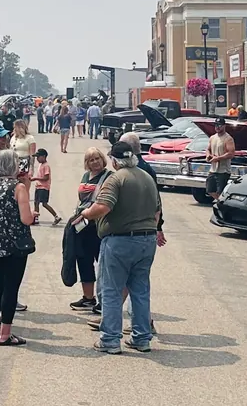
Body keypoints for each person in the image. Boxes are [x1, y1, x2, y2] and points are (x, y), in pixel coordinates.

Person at [78, 139, 162, 354]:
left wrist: (85, 213)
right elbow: (157, 211)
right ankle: (142, 338)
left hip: (120, 240)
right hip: (147, 239)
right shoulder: (147, 178)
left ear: (114, 161)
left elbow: (103, 206)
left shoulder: (116, 179)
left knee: (112, 290)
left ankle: (110, 340)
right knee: (140, 290)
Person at [0, 148, 34, 346]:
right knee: (11, 288)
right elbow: (26, 218)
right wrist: (33, 215)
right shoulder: (18, 187)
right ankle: (5, 334)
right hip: (15, 245)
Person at [68, 148, 109, 311]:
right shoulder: (86, 176)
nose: (95, 162)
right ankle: (88, 298)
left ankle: (105, 300)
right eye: (91, 160)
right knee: (83, 260)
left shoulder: (109, 177)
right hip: (82, 224)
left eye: (97, 158)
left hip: (98, 225)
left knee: (103, 263)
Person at [205, 122, 237, 202]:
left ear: (224, 126)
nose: (217, 127)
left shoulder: (228, 138)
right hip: (213, 169)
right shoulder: (212, 137)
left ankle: (223, 204)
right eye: (216, 125)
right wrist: (208, 155)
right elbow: (208, 149)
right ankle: (222, 202)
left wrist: (218, 158)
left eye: (219, 125)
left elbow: (231, 153)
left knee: (220, 192)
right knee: (210, 190)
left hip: (223, 170)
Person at [31, 148, 60, 225]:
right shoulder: (41, 165)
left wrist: (35, 178)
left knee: (44, 203)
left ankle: (56, 216)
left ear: (44, 156)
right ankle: (36, 218)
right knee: (36, 202)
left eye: (38, 157)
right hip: (39, 187)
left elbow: (46, 178)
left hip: (44, 187)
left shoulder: (46, 166)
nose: (37, 159)